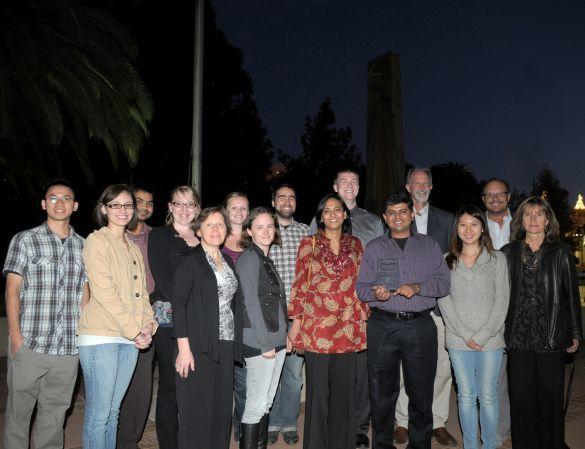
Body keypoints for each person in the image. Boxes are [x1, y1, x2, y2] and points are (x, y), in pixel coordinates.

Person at [356, 191, 450, 449]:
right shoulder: (375, 248)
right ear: (385, 218)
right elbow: (361, 288)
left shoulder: (429, 245)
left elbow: (444, 283)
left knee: (421, 390)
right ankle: (383, 444)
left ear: (411, 214)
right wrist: (376, 292)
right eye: (392, 213)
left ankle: (420, 444)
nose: (398, 217)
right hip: (383, 325)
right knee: (382, 392)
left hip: (420, 325)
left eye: (403, 211)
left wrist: (419, 287)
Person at [3, 178, 89, 449]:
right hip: (30, 342)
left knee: (54, 416)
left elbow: (85, 294)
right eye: (53, 197)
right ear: (44, 204)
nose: (59, 202)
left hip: (67, 348)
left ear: (75, 206)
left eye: (66, 198)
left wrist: (82, 338)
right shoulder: (25, 240)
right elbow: (12, 290)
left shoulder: (85, 246)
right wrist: (16, 337)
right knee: (19, 414)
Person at [78, 184, 157, 449]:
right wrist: (136, 331)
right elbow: (105, 293)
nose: (123, 210)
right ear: (104, 209)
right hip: (102, 336)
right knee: (99, 415)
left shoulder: (132, 248)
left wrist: (148, 326)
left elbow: (142, 295)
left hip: (129, 338)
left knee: (114, 412)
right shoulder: (96, 241)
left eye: (127, 205)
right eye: (116, 205)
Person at [309, 169, 384, 448]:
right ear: (334, 185)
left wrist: (368, 309)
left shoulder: (366, 230)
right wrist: (299, 320)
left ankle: (355, 432)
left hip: (354, 318)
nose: (349, 186)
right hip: (321, 323)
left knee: (354, 381)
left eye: (354, 182)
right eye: (344, 182)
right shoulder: (312, 235)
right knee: (323, 386)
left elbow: (372, 270)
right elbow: (305, 278)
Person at [501, 196, 582, 449]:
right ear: (521, 221)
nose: (533, 219)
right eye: (527, 214)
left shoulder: (561, 252)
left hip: (552, 335)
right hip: (518, 336)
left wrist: (575, 334)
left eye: (539, 214)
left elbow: (571, 295)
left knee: (550, 399)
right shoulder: (508, 253)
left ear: (548, 220)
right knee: (522, 399)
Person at [289, 194, 367, 449]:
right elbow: (300, 284)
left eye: (337, 210)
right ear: (320, 217)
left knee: (344, 395)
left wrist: (364, 316)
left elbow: (362, 283)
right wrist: (296, 324)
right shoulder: (308, 244)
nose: (333, 214)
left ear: (345, 215)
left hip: (348, 327)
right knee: (318, 395)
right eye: (327, 211)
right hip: (316, 328)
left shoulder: (356, 244)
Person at [394, 167, 457, 447]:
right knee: (404, 366)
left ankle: (438, 421)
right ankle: (403, 421)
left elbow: (453, 261)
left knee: (442, 367)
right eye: (416, 182)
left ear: (431, 187)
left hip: (439, 307)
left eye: (425, 182)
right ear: (408, 187)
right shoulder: (397, 217)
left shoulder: (447, 220)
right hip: (406, 307)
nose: (421, 186)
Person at [438, 205, 509, 449]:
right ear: (456, 229)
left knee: (488, 395)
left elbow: (502, 302)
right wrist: (466, 334)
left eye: (474, 224)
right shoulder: (446, 261)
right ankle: (470, 445)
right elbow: (444, 300)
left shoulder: (497, 259)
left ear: (482, 228)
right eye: (463, 225)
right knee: (466, 396)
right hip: (458, 341)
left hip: (491, 340)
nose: (468, 230)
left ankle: (489, 444)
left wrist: (484, 334)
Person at [172, 207, 243, 449]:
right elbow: (179, 304)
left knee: (221, 410)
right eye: (210, 224)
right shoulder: (190, 260)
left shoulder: (227, 262)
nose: (215, 229)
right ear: (199, 229)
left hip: (225, 345)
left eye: (220, 225)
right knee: (196, 413)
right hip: (197, 346)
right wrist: (184, 348)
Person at [148, 185, 201, 449]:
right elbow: (164, 281)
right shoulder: (159, 236)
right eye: (178, 204)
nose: (184, 209)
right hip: (170, 321)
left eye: (189, 204)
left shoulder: (205, 237)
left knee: (194, 385)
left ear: (197, 209)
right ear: (169, 207)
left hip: (201, 323)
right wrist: (193, 306)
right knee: (171, 386)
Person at [237, 207, 290, 449]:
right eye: (259, 226)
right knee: (256, 404)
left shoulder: (265, 258)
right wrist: (265, 343)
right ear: (249, 231)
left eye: (270, 226)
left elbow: (277, 304)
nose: (266, 231)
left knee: (267, 402)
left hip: (276, 340)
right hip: (261, 342)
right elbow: (249, 303)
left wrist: (285, 336)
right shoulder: (249, 258)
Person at [267, 184, 309, 446]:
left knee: (293, 375)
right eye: (281, 196)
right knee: (271, 372)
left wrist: (301, 317)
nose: (287, 201)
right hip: (269, 315)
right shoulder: (263, 229)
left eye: (291, 197)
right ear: (273, 202)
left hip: (298, 315)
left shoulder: (306, 232)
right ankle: (271, 422)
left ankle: (289, 421)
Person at [117, 183, 156, 449]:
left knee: (142, 387)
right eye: (139, 201)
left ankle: (129, 440)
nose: (144, 207)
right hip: (116, 315)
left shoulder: (157, 237)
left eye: (149, 203)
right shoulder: (114, 236)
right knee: (116, 386)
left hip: (148, 316)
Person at [481, 178, 513, 446]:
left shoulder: (524, 223)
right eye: (489, 195)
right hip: (488, 308)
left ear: (508, 196)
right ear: (483, 199)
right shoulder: (474, 226)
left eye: (499, 194)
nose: (494, 198)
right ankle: (500, 429)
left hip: (522, 307)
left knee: (522, 373)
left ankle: (521, 423)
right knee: (495, 376)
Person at [222, 191, 251, 441]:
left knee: (243, 383)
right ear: (226, 210)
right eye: (234, 208)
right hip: (220, 321)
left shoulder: (253, 240)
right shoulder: (216, 238)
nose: (240, 212)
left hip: (247, 322)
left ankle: (243, 432)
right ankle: (220, 430)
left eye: (244, 208)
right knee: (222, 383)